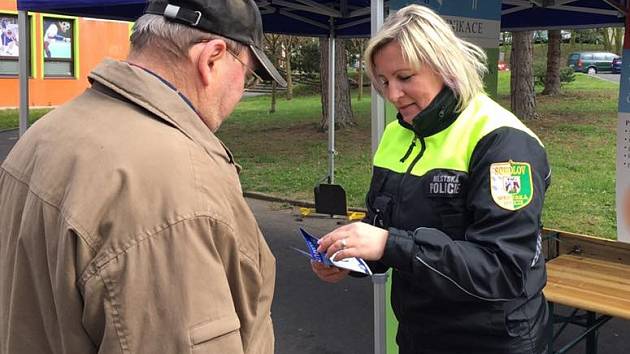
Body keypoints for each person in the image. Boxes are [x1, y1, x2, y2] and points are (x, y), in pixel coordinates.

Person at [0, 1, 285, 353]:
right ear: (211, 59)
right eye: (249, 74)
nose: (242, 91)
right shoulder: (174, 187)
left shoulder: (43, 135)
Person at [313, 4, 551, 354]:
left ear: (445, 66)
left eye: (405, 77)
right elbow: (387, 226)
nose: (392, 95)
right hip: (420, 334)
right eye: (383, 81)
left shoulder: (504, 144)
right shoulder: (397, 134)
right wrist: (350, 257)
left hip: (492, 340)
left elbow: (502, 269)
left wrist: (387, 245)